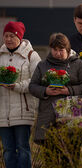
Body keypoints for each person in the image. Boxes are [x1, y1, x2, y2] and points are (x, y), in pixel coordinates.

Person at [29, 33, 82, 165]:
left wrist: (69, 90)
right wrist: (45, 91)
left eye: (61, 50)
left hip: (71, 116)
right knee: (50, 159)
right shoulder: (42, 65)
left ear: (68, 50)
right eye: (55, 50)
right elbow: (32, 86)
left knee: (70, 158)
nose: (57, 53)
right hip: (48, 117)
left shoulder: (78, 64)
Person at [0, 21, 41, 168]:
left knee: (23, 148)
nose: (8, 39)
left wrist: (17, 86)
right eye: (6, 36)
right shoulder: (0, 55)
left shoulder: (31, 55)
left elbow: (37, 80)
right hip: (2, 113)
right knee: (8, 150)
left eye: (12, 36)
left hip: (23, 111)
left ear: (20, 37)